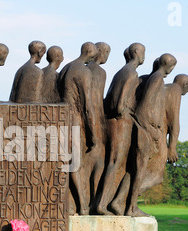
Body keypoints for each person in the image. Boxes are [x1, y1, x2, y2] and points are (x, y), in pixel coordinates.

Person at [95, 43, 145, 215]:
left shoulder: (121, 71)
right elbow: (118, 105)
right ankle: (101, 204)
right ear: (137, 53)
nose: (144, 56)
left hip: (111, 123)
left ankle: (101, 202)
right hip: (120, 123)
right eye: (143, 52)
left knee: (112, 163)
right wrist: (128, 112)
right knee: (115, 163)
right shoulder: (131, 73)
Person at [126, 53, 177, 217]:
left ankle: (127, 204)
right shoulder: (157, 79)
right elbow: (145, 106)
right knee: (139, 170)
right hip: (145, 128)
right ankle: (131, 207)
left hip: (145, 127)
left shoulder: (153, 78)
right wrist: (153, 128)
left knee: (137, 169)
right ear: (169, 66)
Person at [58, 42, 98, 214]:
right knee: (75, 163)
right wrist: (93, 134)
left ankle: (76, 204)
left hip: (61, 118)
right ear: (90, 52)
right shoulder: (83, 71)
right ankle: (81, 205)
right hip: (74, 119)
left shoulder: (67, 67)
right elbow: (87, 105)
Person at [85, 42, 110, 212]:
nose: (108, 55)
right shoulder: (99, 72)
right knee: (98, 163)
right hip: (94, 120)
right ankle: (94, 202)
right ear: (100, 52)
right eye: (107, 52)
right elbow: (95, 100)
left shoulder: (83, 68)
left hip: (84, 119)